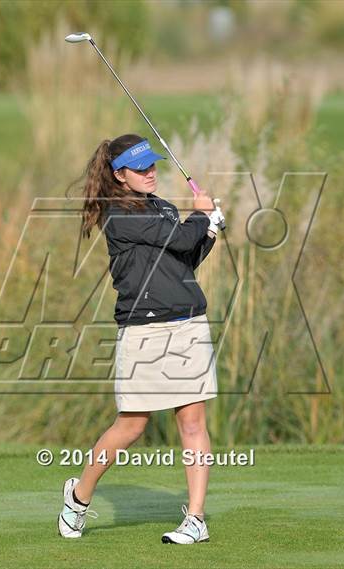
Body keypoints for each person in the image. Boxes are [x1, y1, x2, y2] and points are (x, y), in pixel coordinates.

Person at [58, 133, 222, 544]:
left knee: (192, 421)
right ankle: (78, 497)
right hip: (144, 327)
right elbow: (182, 237)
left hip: (187, 321)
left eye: (153, 165)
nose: (151, 172)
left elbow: (185, 258)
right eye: (141, 167)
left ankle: (196, 518)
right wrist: (201, 217)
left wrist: (210, 233)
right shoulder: (118, 215)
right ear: (119, 175)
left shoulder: (163, 208)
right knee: (131, 425)